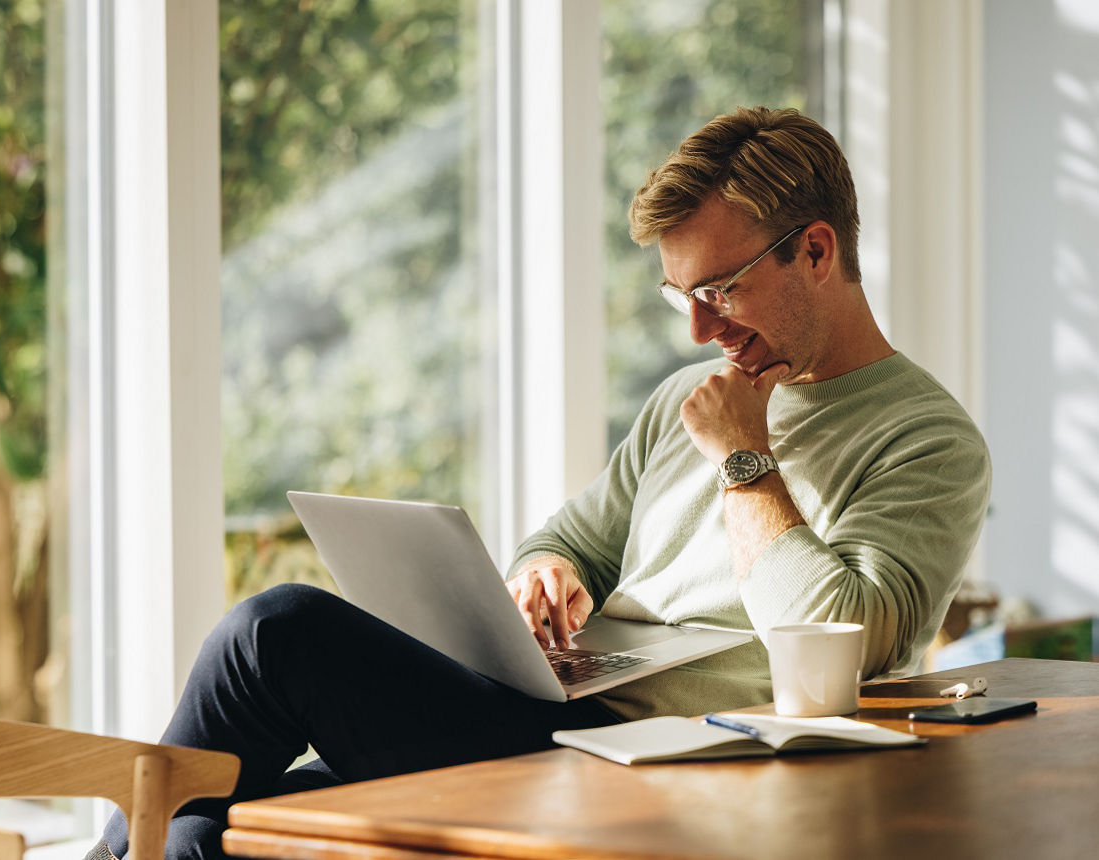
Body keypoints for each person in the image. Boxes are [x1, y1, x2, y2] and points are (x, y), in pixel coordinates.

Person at [86, 106, 990, 860]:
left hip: (663, 763)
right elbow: (571, 540)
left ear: (817, 251)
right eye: (684, 298)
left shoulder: (929, 441)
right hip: (546, 713)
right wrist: (544, 574)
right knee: (204, 833)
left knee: (274, 630)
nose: (698, 333)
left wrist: (743, 460)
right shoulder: (688, 398)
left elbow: (849, 643)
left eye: (720, 289)